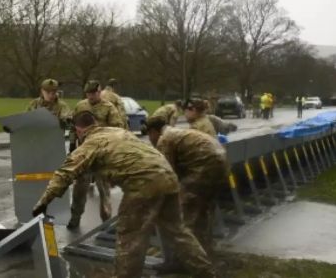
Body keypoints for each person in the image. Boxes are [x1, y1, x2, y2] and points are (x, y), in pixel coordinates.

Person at [31, 111, 215, 278]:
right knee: (178, 232)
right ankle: (207, 272)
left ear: (79, 130)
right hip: (168, 178)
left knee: (130, 238)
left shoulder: (92, 142)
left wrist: (43, 202)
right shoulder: (117, 132)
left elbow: (65, 172)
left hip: (143, 185)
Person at [146, 116, 228, 261]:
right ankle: (205, 253)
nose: (150, 139)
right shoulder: (177, 132)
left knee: (185, 216)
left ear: (153, 131)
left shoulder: (164, 139)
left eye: (149, 135)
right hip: (220, 162)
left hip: (204, 166)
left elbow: (166, 173)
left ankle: (186, 261)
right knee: (203, 212)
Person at [68, 80, 126, 228]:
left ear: (99, 92)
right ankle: (75, 217)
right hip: (85, 153)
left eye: (93, 93)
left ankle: (105, 221)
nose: (91, 96)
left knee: (104, 189)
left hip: (102, 154)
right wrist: (72, 143)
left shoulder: (109, 108)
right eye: (88, 94)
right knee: (79, 187)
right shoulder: (81, 106)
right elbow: (73, 127)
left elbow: (118, 129)